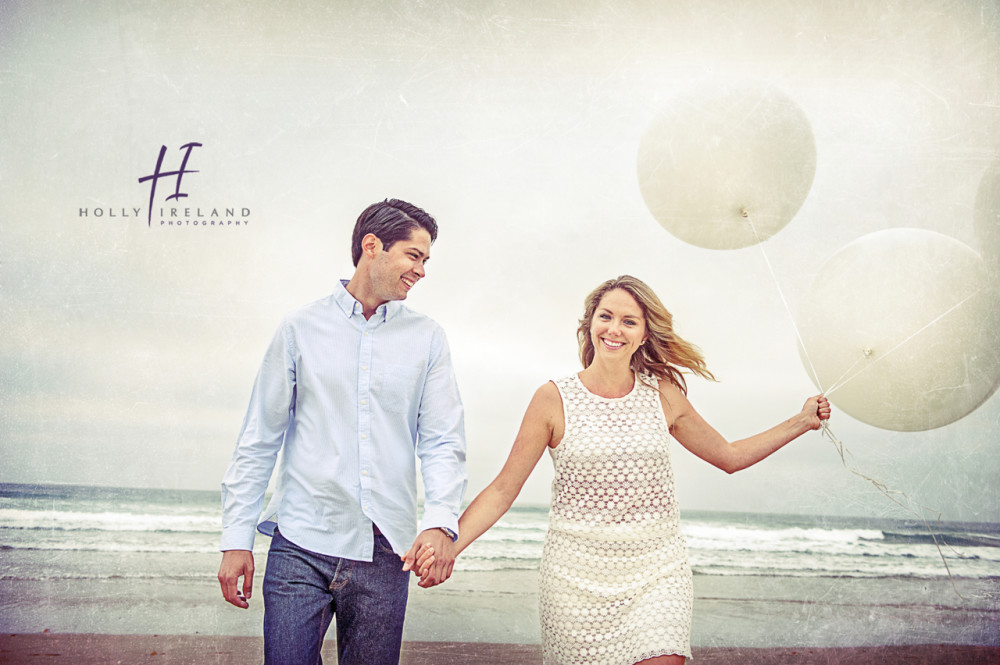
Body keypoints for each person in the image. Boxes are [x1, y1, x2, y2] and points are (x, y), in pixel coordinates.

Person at [404, 274, 831, 665]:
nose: (614, 329)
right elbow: (503, 489)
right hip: (574, 579)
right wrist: (449, 546)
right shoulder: (553, 399)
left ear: (645, 333)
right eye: (606, 317)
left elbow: (729, 456)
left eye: (629, 321)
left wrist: (802, 421)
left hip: (657, 570)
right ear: (589, 324)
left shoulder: (662, 394)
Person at [218, 198, 467, 665]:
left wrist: (439, 522)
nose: (422, 271)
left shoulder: (428, 339)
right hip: (301, 544)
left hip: (386, 551)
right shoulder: (300, 328)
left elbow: (441, 441)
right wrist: (236, 540)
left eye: (426, 260)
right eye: (414, 256)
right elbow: (259, 438)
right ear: (372, 246)